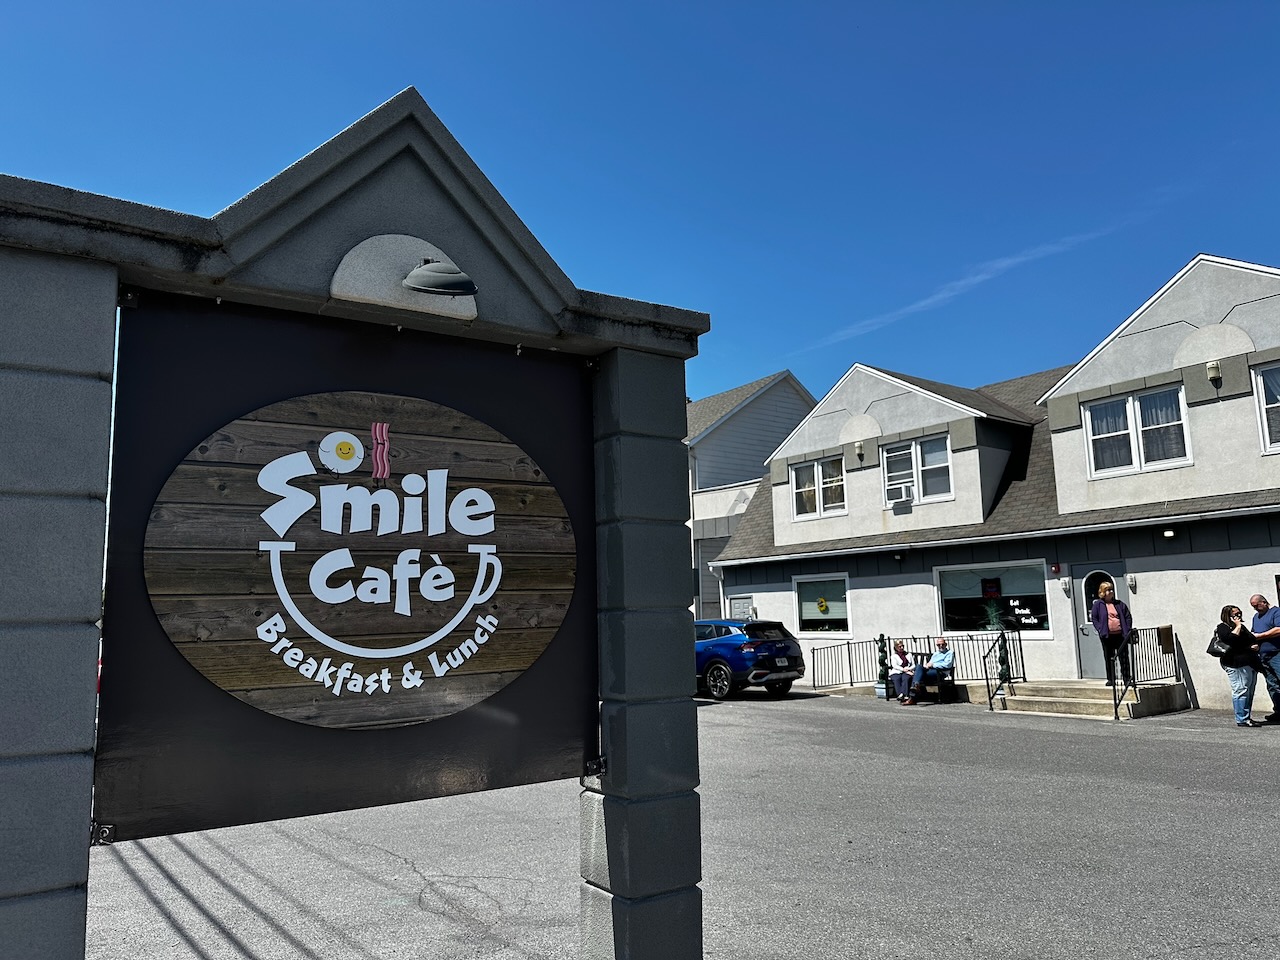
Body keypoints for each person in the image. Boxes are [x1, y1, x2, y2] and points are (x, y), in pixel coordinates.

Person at [1216, 604, 1263, 727]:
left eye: (1239, 613)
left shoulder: (1242, 627)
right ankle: (1241, 719)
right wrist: (1237, 626)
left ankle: (1246, 717)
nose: (1238, 615)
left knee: (1249, 691)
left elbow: (1251, 638)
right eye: (1235, 614)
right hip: (1236, 664)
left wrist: (1254, 645)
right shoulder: (1223, 627)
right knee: (1241, 690)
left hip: (1250, 663)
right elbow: (1231, 640)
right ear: (1228, 615)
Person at [1089, 581, 1133, 688]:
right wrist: (1100, 629)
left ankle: (1127, 679)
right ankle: (1111, 679)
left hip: (1120, 636)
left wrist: (1127, 630)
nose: (1111, 592)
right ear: (1103, 592)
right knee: (1109, 658)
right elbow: (1094, 618)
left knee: (1123, 657)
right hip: (1107, 636)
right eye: (1108, 590)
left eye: (1112, 589)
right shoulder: (1098, 605)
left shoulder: (1119, 604)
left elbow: (1127, 617)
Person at [1248, 594, 1280, 723]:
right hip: (1263, 656)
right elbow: (1253, 633)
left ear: (1264, 602)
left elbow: (1278, 630)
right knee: (1272, 685)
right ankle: (1279, 711)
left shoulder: (1276, 612)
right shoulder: (1256, 617)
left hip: (1277, 654)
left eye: (1257, 605)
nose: (1255, 609)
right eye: (1253, 606)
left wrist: (1260, 636)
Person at [902, 637, 954, 705]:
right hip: (931, 671)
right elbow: (929, 663)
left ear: (946, 644)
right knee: (918, 667)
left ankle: (912, 697)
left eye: (942, 644)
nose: (941, 646)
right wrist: (927, 666)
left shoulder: (949, 653)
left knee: (917, 675)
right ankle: (915, 686)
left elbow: (947, 665)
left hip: (940, 672)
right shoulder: (935, 654)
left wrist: (933, 665)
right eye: (938, 645)